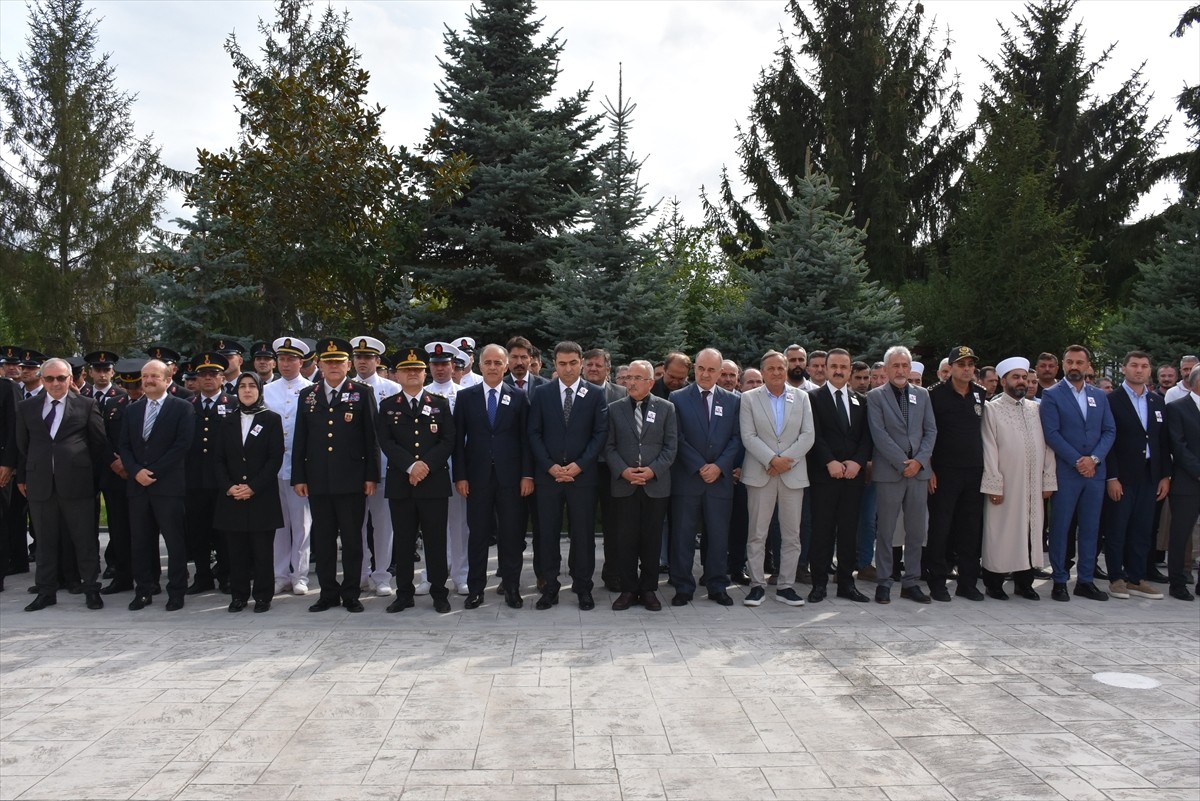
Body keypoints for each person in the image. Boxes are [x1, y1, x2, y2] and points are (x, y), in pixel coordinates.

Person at [291, 338, 379, 613]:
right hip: (318, 479)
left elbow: (371, 439)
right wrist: (299, 477)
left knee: (352, 540)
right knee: (324, 540)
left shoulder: (361, 393)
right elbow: (300, 439)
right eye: (328, 362)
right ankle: (328, 592)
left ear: (348, 364)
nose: (333, 366)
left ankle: (351, 593)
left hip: (352, 479)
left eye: (339, 362)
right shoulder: (308, 395)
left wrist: (371, 476)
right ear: (319, 364)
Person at [16, 358, 107, 611]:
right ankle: (46, 591)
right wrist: (25, 476)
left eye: (61, 378)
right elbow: (23, 446)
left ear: (70, 379)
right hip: (41, 484)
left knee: (84, 540)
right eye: (49, 378)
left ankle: (91, 589)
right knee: (44, 541)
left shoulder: (87, 405)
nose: (55, 383)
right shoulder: (27, 407)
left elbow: (99, 444)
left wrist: (86, 474)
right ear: (42, 379)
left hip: (77, 484)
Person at [527, 341, 609, 611]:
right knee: (547, 534)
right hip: (548, 477)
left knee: (583, 535)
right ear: (555, 364)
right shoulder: (542, 393)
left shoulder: (595, 394)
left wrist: (579, 465)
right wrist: (549, 466)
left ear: (581, 363)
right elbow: (533, 432)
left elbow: (600, 434)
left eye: (573, 363)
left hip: (582, 477)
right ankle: (549, 587)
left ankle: (583, 587)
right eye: (562, 363)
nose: (568, 368)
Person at [454, 344, 533, 609]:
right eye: (487, 362)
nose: (492, 367)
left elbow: (525, 440)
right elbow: (458, 441)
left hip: (510, 479)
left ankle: (512, 588)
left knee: (511, 536)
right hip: (476, 479)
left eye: (498, 363)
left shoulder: (519, 397)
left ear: (506, 366)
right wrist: (461, 476)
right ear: (479, 366)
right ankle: (475, 590)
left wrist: (527, 475)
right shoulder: (466, 397)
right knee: (477, 536)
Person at [377, 347, 454, 614]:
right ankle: (404, 593)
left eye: (417, 369)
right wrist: (411, 465)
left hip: (434, 483)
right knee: (404, 541)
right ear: (397, 375)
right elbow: (386, 441)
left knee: (436, 541)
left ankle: (439, 592)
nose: (412, 373)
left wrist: (425, 465)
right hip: (402, 483)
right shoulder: (388, 406)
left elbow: (448, 440)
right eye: (406, 370)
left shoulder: (440, 404)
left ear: (424, 373)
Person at [1040, 345, 1116, 602]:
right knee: (1060, 527)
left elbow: (1109, 430)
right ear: (1063, 364)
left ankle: (1085, 580)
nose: (1074, 366)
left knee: (1091, 528)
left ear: (1087, 366)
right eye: (1070, 362)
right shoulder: (1052, 394)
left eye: (1079, 362)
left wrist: (1093, 459)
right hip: (1067, 472)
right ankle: (1059, 580)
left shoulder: (1099, 396)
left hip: (1094, 473)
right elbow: (1051, 433)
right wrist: (1077, 460)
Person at [739, 350, 814, 607]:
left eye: (780, 368)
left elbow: (808, 435)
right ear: (762, 372)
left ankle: (786, 586)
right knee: (757, 533)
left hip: (792, 474)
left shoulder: (802, 397)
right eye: (770, 368)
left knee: (792, 534)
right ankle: (757, 585)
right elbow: (748, 436)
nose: (776, 372)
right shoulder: (749, 398)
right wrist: (771, 460)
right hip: (761, 473)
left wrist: (784, 462)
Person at [119, 359, 195, 611]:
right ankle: (143, 590)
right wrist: (135, 471)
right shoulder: (132, 410)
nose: (149, 381)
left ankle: (176, 591)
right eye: (145, 376)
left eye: (154, 376)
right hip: (138, 487)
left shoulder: (182, 407)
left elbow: (182, 445)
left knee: (174, 541)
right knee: (140, 541)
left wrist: (154, 471)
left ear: (167, 379)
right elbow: (124, 446)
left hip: (168, 486)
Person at [669, 348, 742, 606]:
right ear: (694, 369)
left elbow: (736, 438)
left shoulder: (733, 401)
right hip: (688, 479)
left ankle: (717, 585)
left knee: (719, 536)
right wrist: (700, 466)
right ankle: (683, 586)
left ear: (720, 372)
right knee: (683, 535)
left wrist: (719, 466)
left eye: (711, 370)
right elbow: (677, 438)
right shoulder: (677, 398)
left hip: (719, 482)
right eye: (701, 368)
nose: (705, 374)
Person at [980, 358, 1056, 600]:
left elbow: (1048, 447)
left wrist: (1048, 480)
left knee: (1031, 531)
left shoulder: (1036, 409)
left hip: (1033, 484)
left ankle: (1025, 583)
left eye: (1024, 377)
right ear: (1003, 381)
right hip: (1006, 485)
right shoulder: (992, 409)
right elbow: (989, 448)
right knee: (1001, 532)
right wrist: (994, 484)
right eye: (1016, 377)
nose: (1022, 382)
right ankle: (994, 583)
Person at [866, 345, 937, 604]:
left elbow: (930, 431)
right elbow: (879, 434)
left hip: (918, 474)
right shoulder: (875, 396)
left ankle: (911, 582)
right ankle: (884, 582)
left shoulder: (922, 395)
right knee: (886, 531)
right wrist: (902, 462)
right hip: (890, 472)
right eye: (895, 365)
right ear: (886, 369)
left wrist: (918, 462)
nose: (900, 370)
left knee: (916, 531)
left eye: (904, 365)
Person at [606, 360, 677, 611]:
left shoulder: (667, 408)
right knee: (625, 539)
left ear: (650, 382)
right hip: (625, 484)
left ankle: (648, 589)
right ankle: (628, 589)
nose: (631, 382)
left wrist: (652, 471)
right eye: (629, 378)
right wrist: (624, 471)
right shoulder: (614, 409)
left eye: (638, 378)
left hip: (655, 485)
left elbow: (671, 446)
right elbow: (609, 446)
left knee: (651, 539)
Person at [213, 372, 284, 613]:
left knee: (262, 551)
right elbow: (218, 459)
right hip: (232, 496)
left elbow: (274, 459)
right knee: (236, 551)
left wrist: (253, 487)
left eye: (252, 386)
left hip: (261, 496)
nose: (246, 390)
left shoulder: (271, 419)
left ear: (259, 390)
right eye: (242, 386)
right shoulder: (227, 421)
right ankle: (239, 595)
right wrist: (228, 487)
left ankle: (263, 596)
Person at [805, 348, 872, 603]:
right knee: (821, 531)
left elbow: (866, 437)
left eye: (844, 366)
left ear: (850, 370)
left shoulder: (861, 400)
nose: (838, 370)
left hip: (852, 478)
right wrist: (829, 461)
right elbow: (814, 434)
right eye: (834, 366)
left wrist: (857, 462)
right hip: (824, 477)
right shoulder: (812, 398)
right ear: (825, 368)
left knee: (848, 531)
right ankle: (819, 584)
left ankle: (846, 583)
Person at [1103, 351, 1170, 600]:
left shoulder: (1156, 401)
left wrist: (1165, 476)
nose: (1139, 370)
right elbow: (1108, 441)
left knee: (1143, 529)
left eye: (1144, 366)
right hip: (1122, 476)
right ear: (1124, 368)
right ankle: (1116, 578)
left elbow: (1163, 441)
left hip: (1150, 475)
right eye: (1134, 365)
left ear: (1149, 370)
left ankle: (1136, 578)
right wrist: (1112, 477)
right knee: (1117, 528)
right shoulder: (1111, 400)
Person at [926, 346, 988, 602]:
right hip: (944, 472)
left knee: (970, 529)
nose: (966, 369)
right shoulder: (934, 395)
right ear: (950, 368)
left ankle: (967, 583)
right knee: (941, 529)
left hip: (974, 471)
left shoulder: (980, 393)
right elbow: (926, 433)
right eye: (961, 364)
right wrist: (929, 468)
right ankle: (937, 582)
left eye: (970, 364)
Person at [351, 336, 402, 597]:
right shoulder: (345, 387)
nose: (362, 361)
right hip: (352, 469)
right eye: (358, 357)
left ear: (377, 360)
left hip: (383, 467)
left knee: (383, 526)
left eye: (368, 357)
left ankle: (382, 575)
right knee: (354, 526)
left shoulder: (392, 389)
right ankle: (360, 574)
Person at [262, 336, 313, 595]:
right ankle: (279, 574)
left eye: (291, 359)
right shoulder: (267, 390)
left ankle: (300, 575)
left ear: (301, 362)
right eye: (281, 359)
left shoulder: (312, 389)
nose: (285, 363)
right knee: (278, 524)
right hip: (273, 467)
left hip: (300, 467)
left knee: (301, 524)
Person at [184, 352, 236, 595]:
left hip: (223, 480)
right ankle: (202, 575)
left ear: (222, 377)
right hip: (194, 479)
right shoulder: (187, 406)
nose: (207, 378)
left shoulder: (233, 404)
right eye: (203, 374)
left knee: (225, 531)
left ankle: (226, 575)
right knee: (198, 531)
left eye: (213, 374)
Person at [424, 341, 468, 594]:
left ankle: (461, 575)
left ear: (453, 366)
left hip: (455, 468)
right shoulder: (422, 392)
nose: (440, 369)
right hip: (429, 470)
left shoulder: (464, 394)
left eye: (444, 364)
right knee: (431, 525)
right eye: (435, 364)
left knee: (459, 526)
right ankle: (430, 575)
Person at [584, 348, 628, 591]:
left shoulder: (622, 394)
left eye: (598, 365)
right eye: (589, 364)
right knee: (582, 524)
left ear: (608, 370)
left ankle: (613, 573)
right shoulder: (574, 392)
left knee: (615, 525)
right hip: (583, 468)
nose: (593, 368)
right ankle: (582, 574)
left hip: (613, 469)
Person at [1164, 366, 1200, 600]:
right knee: (1180, 534)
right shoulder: (1177, 408)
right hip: (1187, 483)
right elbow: (1178, 446)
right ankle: (1177, 583)